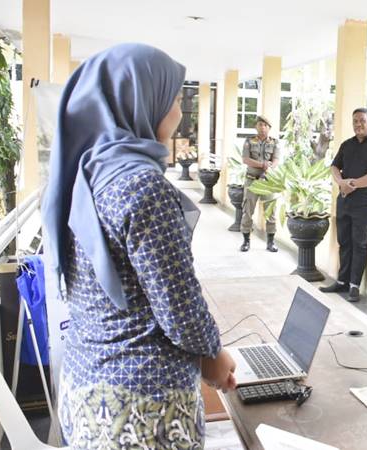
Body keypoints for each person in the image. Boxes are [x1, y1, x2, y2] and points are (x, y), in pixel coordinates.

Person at [41, 43, 236, 449]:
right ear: (139, 100)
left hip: (88, 391)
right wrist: (215, 358)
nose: (180, 114)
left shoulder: (88, 172)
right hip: (141, 409)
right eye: (175, 100)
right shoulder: (142, 186)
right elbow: (179, 307)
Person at [319, 108, 367, 302]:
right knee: (344, 242)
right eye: (355, 121)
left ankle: (354, 286)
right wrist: (341, 183)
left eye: (362, 120)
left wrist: (353, 184)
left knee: (359, 243)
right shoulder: (346, 145)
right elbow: (334, 166)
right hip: (344, 200)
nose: (358, 124)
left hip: (363, 203)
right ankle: (342, 281)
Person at [239, 116, 281, 252]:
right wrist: (262, 164)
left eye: (265, 125)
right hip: (252, 180)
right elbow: (246, 159)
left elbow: (275, 160)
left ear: (269, 128)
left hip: (267, 181)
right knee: (247, 211)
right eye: (260, 124)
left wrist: (268, 168)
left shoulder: (275, 143)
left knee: (271, 212)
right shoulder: (249, 141)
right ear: (256, 127)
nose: (262, 127)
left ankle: (271, 242)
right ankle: (246, 241)